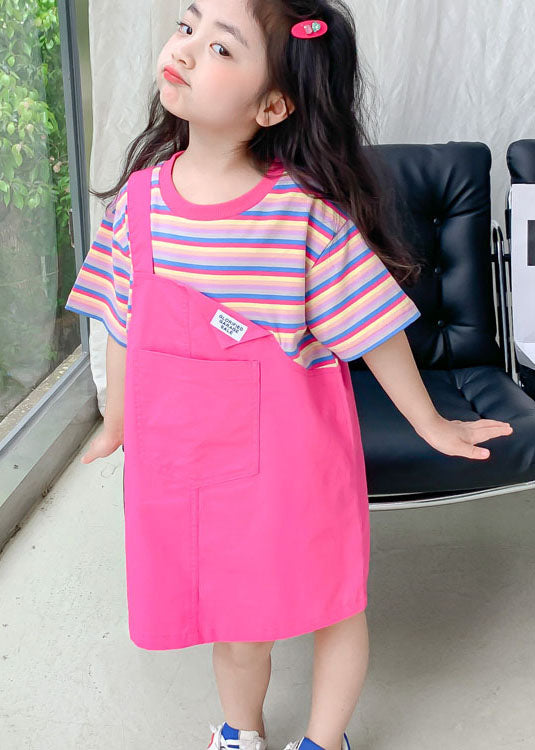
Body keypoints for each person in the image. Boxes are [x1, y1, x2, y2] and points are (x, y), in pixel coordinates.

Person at [64, 2, 514, 750]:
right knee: (235, 619)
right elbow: (121, 317)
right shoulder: (137, 205)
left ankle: (324, 739)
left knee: (332, 604)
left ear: (272, 105)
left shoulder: (300, 216)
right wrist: (116, 419)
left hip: (294, 461)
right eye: (188, 27)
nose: (186, 50)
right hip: (193, 464)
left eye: (222, 48)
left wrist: (432, 422)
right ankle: (239, 729)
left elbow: (376, 329)